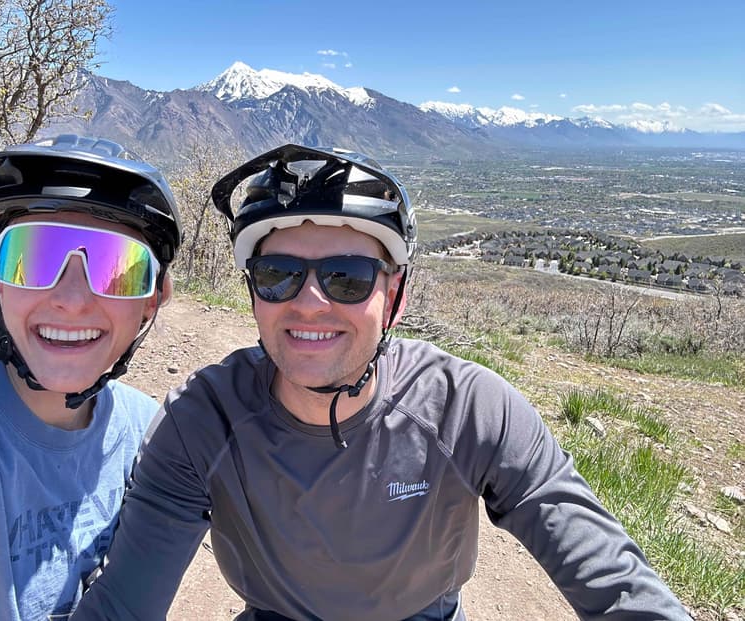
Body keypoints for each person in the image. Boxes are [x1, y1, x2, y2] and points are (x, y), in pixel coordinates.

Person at [73, 144, 689, 620]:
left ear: (393, 293)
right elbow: (126, 602)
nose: (309, 303)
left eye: (346, 276)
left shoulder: (467, 409)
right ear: (253, 293)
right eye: (278, 274)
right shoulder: (201, 421)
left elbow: (612, 581)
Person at [0, 134, 182, 620]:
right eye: (34, 257)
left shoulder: (150, 434)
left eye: (116, 268)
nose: (72, 299)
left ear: (152, 300)